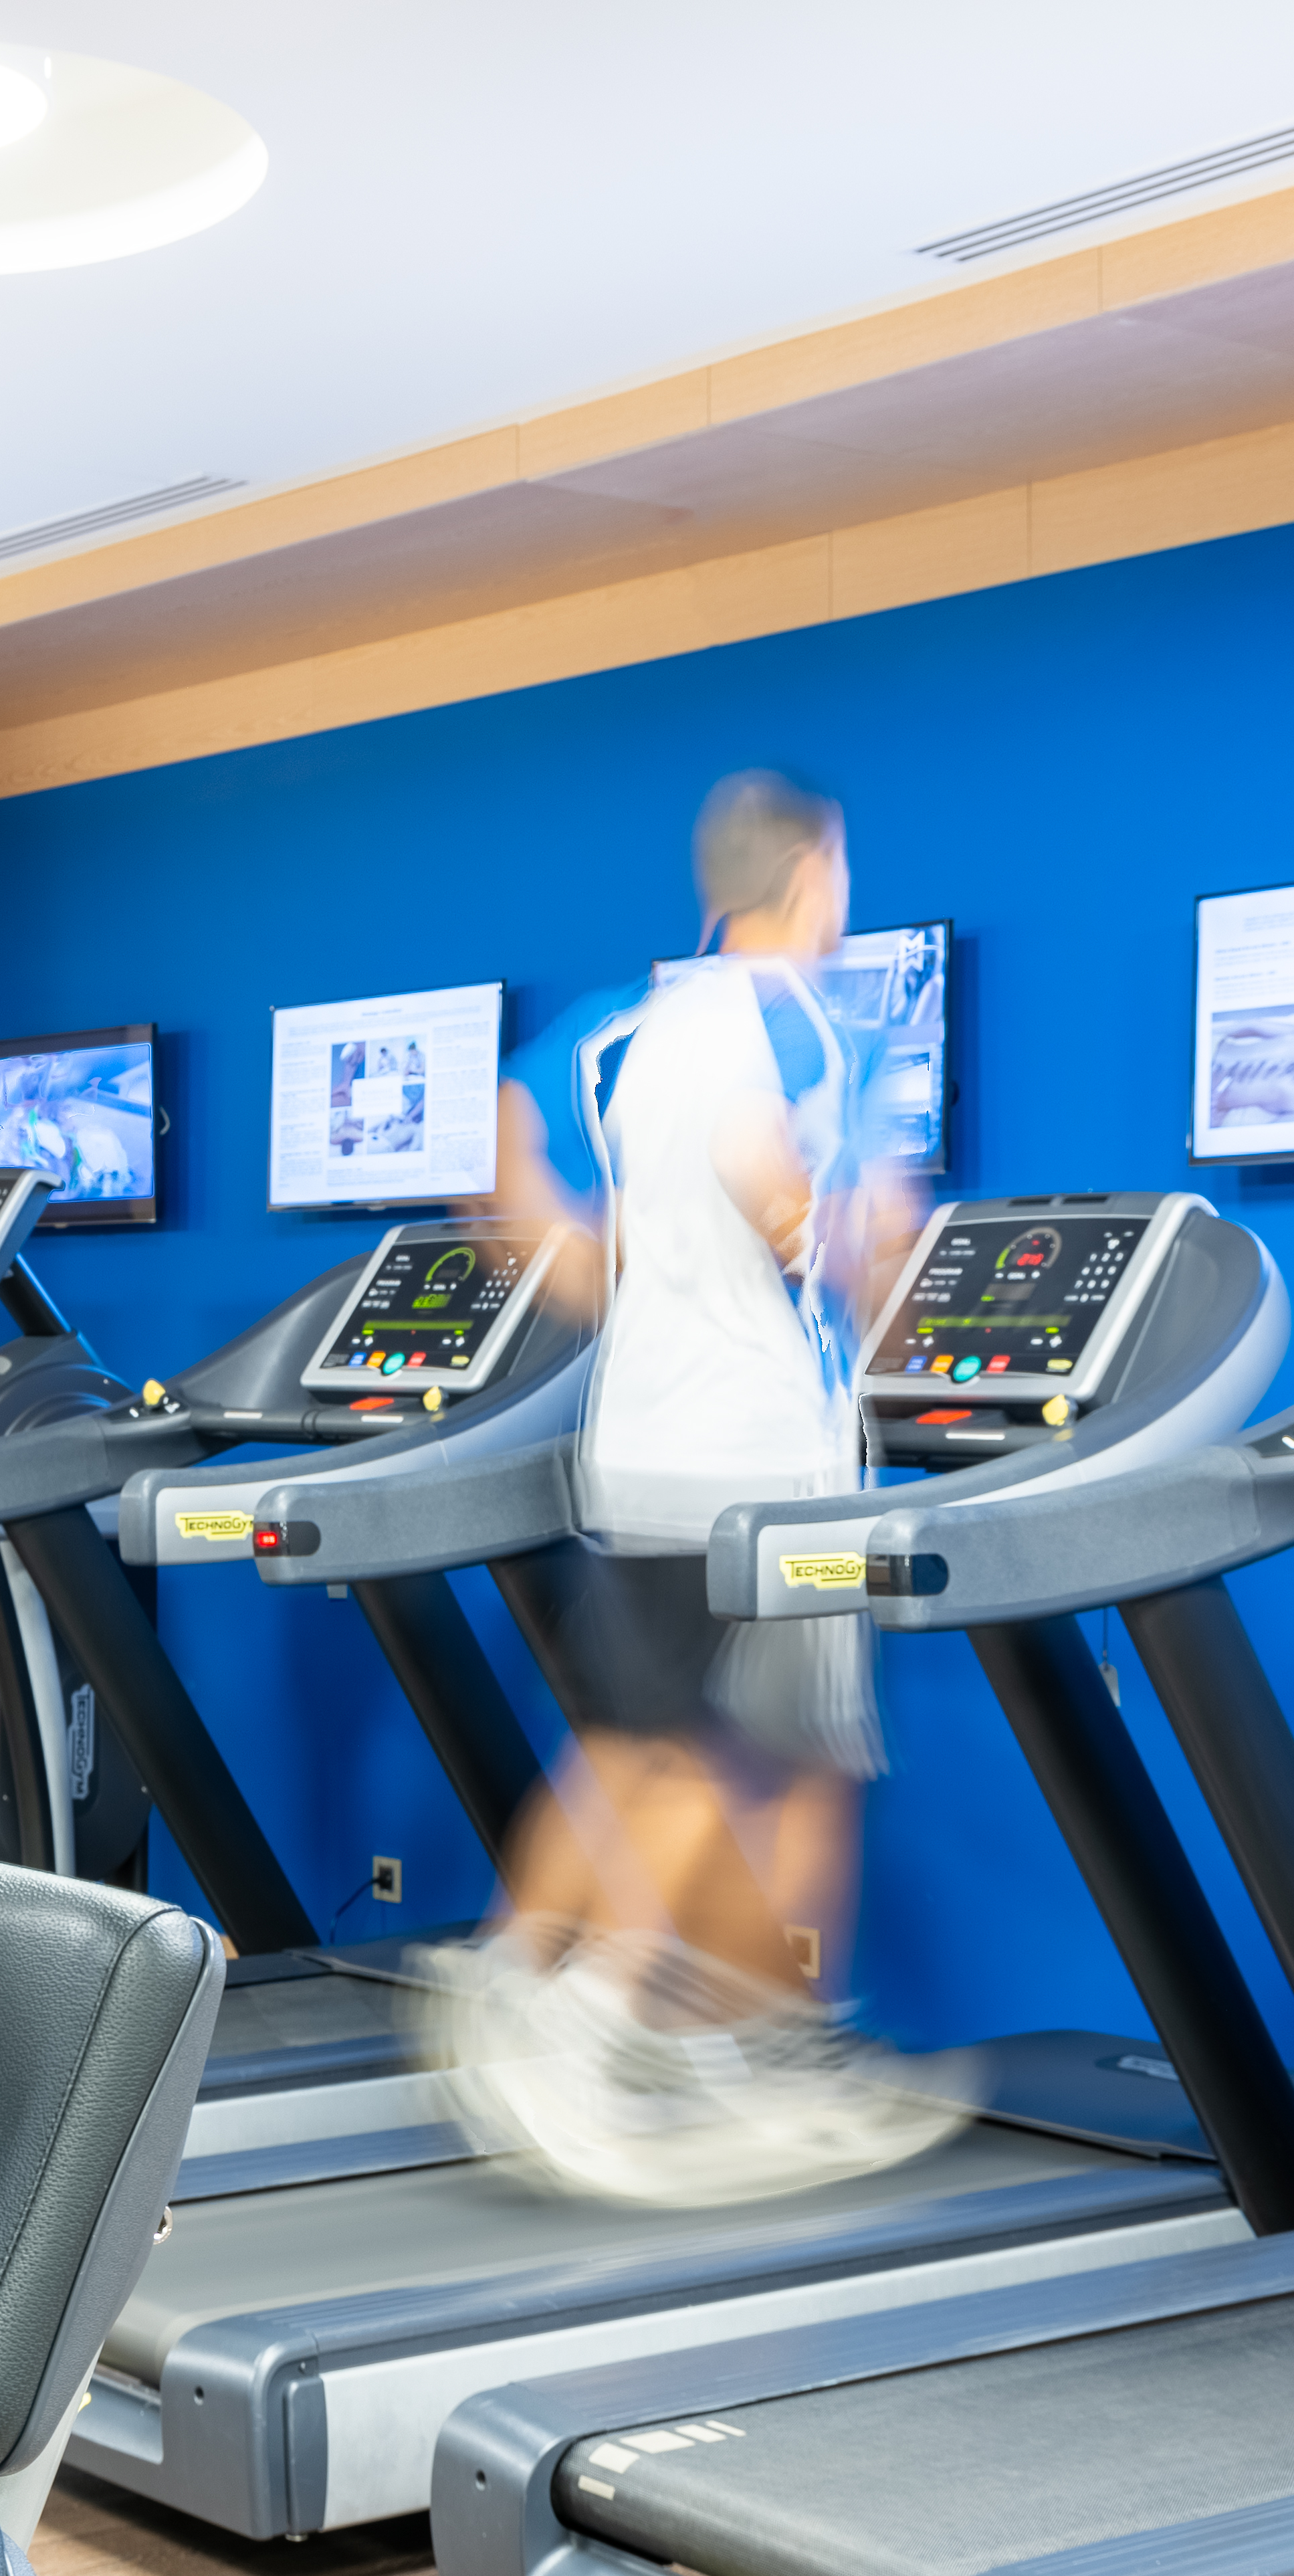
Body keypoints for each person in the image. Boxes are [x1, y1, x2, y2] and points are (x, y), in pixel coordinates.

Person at [432, 771, 968, 2205]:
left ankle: (559, 1993)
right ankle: (629, 2015)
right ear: (816, 875)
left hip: (646, 1441)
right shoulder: (798, 1022)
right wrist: (848, 1248)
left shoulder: (633, 1027)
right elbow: (803, 1206)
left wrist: (603, 1277)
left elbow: (504, 1150)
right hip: (770, 1460)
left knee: (656, 1739)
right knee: (766, 1759)